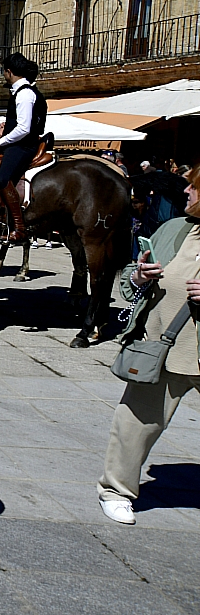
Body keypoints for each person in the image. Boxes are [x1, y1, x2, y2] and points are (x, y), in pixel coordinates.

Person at [99, 170, 200, 525]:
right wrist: (138, 276)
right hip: (163, 347)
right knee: (136, 423)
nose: (186, 190)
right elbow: (132, 277)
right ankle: (116, 491)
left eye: (194, 186)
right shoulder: (175, 228)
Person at [0, 52, 46, 244]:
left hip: (23, 145)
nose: (4, 75)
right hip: (18, 143)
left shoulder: (24, 94)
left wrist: (0, 142)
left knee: (3, 178)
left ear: (9, 72)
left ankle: (19, 227)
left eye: (4, 71)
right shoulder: (21, 92)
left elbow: (24, 128)